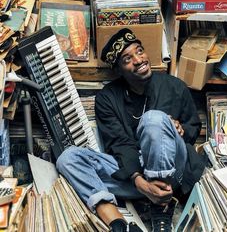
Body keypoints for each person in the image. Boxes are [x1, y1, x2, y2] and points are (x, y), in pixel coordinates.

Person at [56, 28, 207, 232]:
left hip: (172, 173)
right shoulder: (107, 98)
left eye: (139, 51)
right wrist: (140, 183)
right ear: (118, 69)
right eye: (127, 58)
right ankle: (119, 224)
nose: (138, 60)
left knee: (154, 119)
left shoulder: (174, 86)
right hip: (134, 177)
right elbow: (119, 144)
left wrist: (179, 130)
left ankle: (160, 205)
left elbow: (194, 128)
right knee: (68, 158)